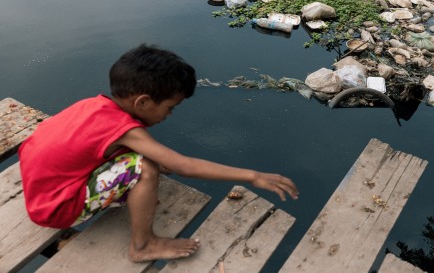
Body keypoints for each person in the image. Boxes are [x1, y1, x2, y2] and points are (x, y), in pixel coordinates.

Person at [18, 44, 299, 262]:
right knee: (145, 167)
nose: (169, 114)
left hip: (42, 189)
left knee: (148, 158)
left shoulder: (95, 106)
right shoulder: (127, 130)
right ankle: (143, 245)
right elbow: (184, 165)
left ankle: (133, 191)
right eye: (170, 107)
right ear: (143, 101)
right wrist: (252, 175)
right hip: (56, 209)